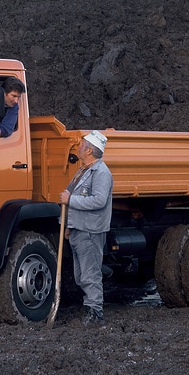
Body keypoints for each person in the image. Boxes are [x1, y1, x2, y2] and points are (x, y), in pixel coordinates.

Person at [59, 130, 113, 327]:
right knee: (81, 275)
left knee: (90, 273)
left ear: (90, 150)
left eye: (82, 145)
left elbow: (99, 200)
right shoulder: (83, 170)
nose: (79, 147)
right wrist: (68, 226)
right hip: (78, 228)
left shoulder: (101, 173)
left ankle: (95, 312)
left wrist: (70, 199)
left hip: (90, 230)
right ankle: (91, 308)